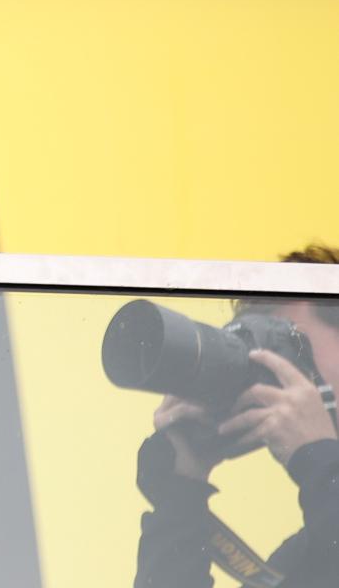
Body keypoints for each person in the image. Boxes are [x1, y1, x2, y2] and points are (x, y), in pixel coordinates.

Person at [133, 244, 339, 587]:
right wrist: (180, 502)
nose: (285, 373)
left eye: (294, 344)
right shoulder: (301, 558)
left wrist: (319, 459)